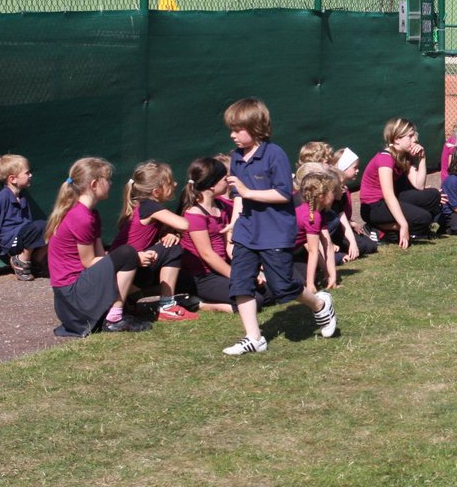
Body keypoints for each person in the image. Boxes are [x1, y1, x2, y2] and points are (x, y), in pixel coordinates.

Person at [222, 97, 338, 356]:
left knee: (283, 286)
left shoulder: (275, 154)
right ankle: (254, 338)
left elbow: (284, 194)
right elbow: (239, 197)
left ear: (255, 127)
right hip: (247, 231)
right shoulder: (236, 157)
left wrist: (248, 192)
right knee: (240, 283)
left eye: (237, 129)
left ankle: (320, 304)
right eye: (231, 129)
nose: (232, 135)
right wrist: (232, 225)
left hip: (275, 232)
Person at [45, 157, 152, 336]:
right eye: (107, 179)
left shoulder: (91, 214)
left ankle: (116, 309)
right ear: (94, 184)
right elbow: (89, 262)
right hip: (73, 299)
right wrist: (133, 257)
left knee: (127, 255)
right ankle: (114, 319)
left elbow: (101, 256)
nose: (110, 183)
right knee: (127, 252)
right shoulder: (81, 217)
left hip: (78, 293)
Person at [110, 161, 199, 322]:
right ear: (156, 191)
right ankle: (167, 306)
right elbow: (184, 224)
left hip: (127, 271)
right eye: (170, 182)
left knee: (175, 256)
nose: (175, 184)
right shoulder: (150, 207)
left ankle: (132, 298)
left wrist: (172, 233)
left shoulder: (142, 206)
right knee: (172, 249)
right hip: (124, 273)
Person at [177, 155, 252, 314]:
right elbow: (207, 254)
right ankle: (200, 304)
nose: (228, 181)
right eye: (225, 178)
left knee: (268, 292)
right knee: (252, 301)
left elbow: (229, 243)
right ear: (212, 185)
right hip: (204, 277)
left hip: (223, 269)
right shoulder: (194, 215)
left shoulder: (222, 206)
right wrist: (236, 277)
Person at [359, 117, 441, 246]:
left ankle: (409, 228)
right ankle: (378, 229)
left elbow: (419, 186)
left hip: (390, 200)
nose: (415, 139)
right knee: (423, 218)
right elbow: (388, 195)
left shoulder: (403, 155)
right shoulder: (385, 158)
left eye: (414, 135)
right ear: (397, 139)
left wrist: (422, 159)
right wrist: (402, 224)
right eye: (410, 136)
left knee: (433, 195)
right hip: (374, 207)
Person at [0, 153, 48, 281]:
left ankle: (37, 261)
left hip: (24, 236)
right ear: (13, 179)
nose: (30, 175)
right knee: (41, 226)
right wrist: (4, 239)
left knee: (54, 226)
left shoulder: (22, 197)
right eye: (27, 173)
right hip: (11, 241)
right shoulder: (1, 198)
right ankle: (21, 260)